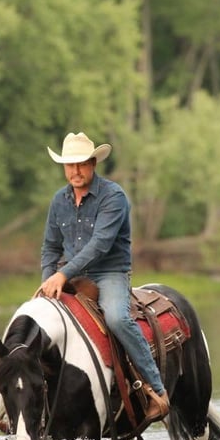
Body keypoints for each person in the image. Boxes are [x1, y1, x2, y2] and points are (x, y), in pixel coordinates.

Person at [40, 132, 170, 423]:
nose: (76, 171)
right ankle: (29, 407)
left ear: (93, 163)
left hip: (109, 271)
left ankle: (157, 393)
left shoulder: (113, 196)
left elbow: (100, 245)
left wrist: (62, 274)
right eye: (70, 165)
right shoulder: (58, 201)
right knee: (36, 326)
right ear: (63, 167)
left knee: (116, 319)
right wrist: (48, 281)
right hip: (71, 274)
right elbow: (50, 246)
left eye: (82, 164)